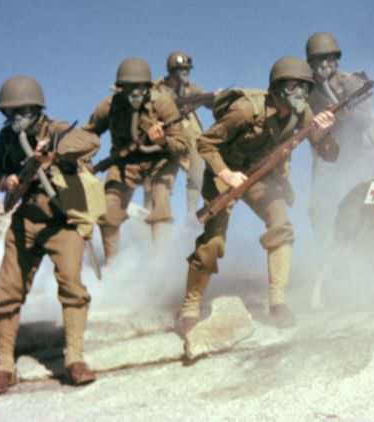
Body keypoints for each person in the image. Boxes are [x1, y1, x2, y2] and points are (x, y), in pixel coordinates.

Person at [179, 56, 338, 332]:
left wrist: (326, 132)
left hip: (260, 176)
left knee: (281, 224)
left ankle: (278, 303)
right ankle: (190, 306)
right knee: (213, 242)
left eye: (305, 88)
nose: (300, 94)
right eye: (293, 87)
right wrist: (226, 174)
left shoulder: (304, 114)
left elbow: (330, 155)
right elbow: (205, 144)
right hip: (225, 172)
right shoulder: (245, 109)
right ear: (277, 89)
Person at [0, 75, 100, 394]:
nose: (16, 118)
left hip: (63, 218)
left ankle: (75, 359)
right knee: (7, 290)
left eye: (22, 111)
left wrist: (53, 150)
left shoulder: (55, 130)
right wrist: (7, 181)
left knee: (72, 287)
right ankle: (4, 365)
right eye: (10, 113)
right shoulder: (6, 139)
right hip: (27, 219)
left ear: (36, 109)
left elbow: (90, 141)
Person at [85, 57, 187, 261]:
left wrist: (164, 140)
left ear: (148, 88)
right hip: (124, 163)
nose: (136, 93)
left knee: (160, 206)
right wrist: (83, 160)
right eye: (130, 87)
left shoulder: (163, 103)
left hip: (161, 160)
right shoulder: (109, 107)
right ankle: (113, 266)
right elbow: (88, 133)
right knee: (108, 211)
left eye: (141, 87)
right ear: (119, 88)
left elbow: (182, 145)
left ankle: (161, 266)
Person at [305, 32, 374, 248]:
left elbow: (363, 121)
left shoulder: (353, 82)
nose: (324, 63)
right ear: (310, 63)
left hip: (361, 152)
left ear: (336, 60)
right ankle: (326, 253)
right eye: (318, 59)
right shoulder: (308, 90)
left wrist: (339, 115)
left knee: (361, 203)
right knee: (317, 207)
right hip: (329, 152)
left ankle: (362, 253)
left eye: (328, 58)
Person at [155, 50, 213, 220]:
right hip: (165, 135)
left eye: (188, 70)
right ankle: (156, 212)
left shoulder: (190, 89)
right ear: (172, 72)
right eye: (182, 70)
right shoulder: (159, 89)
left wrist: (215, 98)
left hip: (188, 133)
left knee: (198, 167)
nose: (186, 74)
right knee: (161, 178)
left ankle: (191, 213)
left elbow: (207, 100)